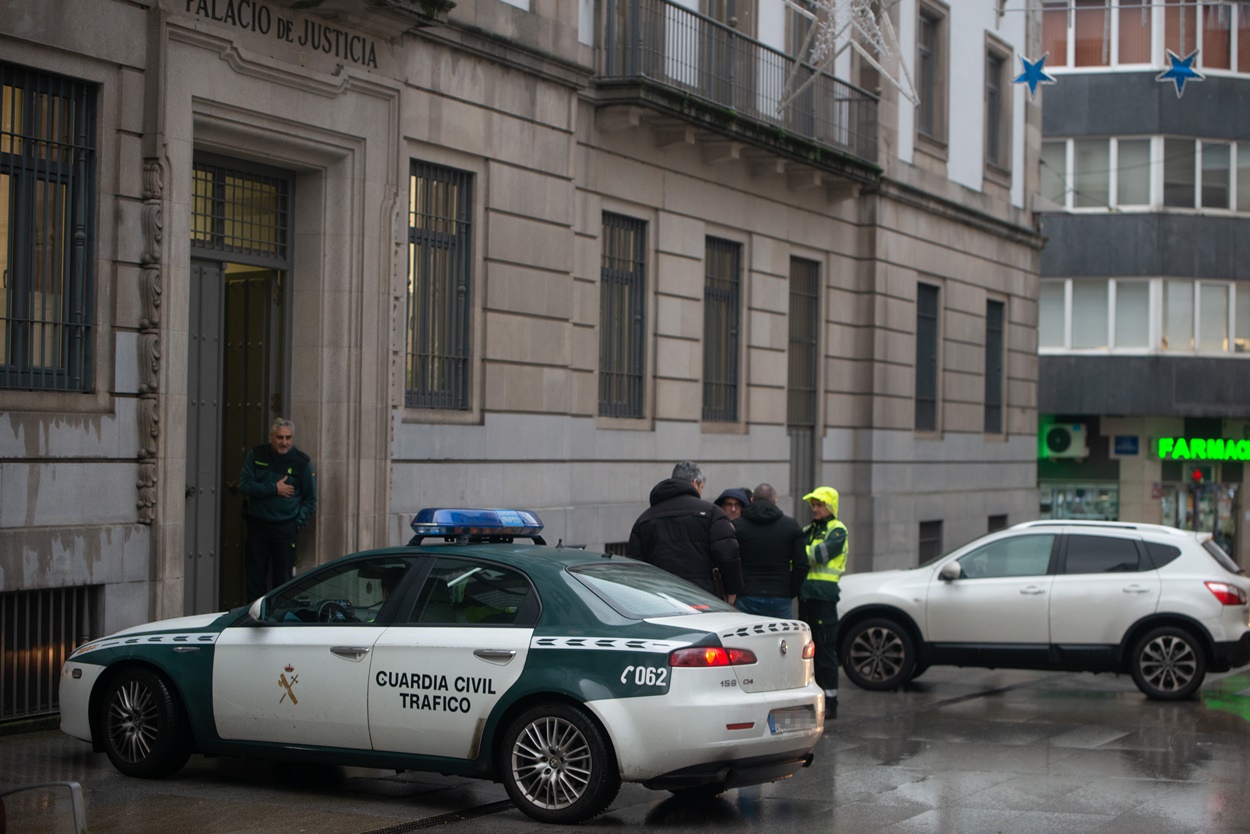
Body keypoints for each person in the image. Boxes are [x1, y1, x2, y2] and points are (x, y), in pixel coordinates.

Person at [628, 461, 742, 603]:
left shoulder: (645, 519)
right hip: (704, 598)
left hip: (661, 599)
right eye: (701, 487)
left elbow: (635, 565)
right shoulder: (712, 513)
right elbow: (728, 555)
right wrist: (732, 590)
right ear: (695, 483)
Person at [238, 417, 318, 600]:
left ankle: (278, 620)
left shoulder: (301, 462)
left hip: (285, 528)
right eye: (280, 437)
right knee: (255, 578)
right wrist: (274, 488)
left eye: (288, 438)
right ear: (272, 437)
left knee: (283, 580)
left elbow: (310, 499)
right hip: (257, 525)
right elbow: (244, 485)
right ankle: (252, 618)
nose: (284, 442)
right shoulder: (257, 455)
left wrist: (296, 524)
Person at [799, 485, 847, 718]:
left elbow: (819, 555)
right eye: (814, 505)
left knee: (826, 649)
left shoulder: (838, 530)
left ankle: (831, 701)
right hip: (807, 596)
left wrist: (803, 552)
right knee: (808, 650)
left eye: (819, 505)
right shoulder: (808, 530)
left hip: (824, 598)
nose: (815, 509)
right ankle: (813, 698)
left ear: (830, 506)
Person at [731, 483, 807, 619]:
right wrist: (790, 591)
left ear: (751, 500)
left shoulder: (738, 526)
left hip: (747, 594)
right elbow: (801, 564)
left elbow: (729, 560)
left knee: (747, 640)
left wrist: (737, 589)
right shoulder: (791, 526)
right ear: (775, 501)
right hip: (780, 595)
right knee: (782, 639)